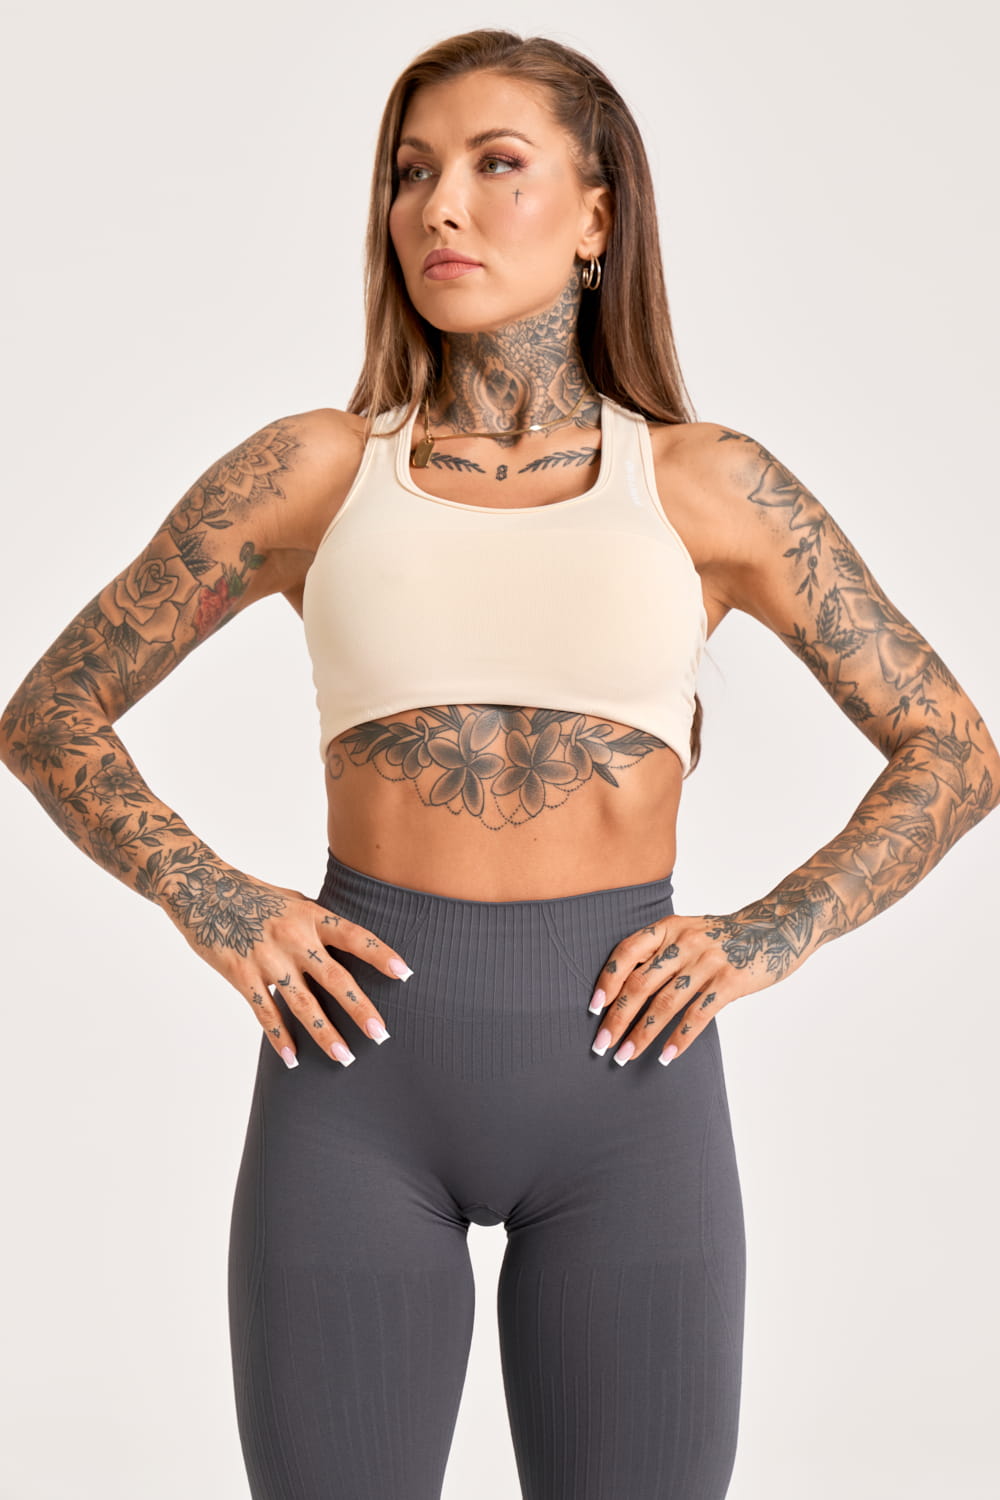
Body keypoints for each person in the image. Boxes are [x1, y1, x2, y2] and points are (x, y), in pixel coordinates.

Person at [2, 24, 997, 1500]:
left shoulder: (708, 483)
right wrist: (213, 898)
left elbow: (952, 748)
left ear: (598, 215)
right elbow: (50, 712)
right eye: (411, 172)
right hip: (355, 1082)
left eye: (495, 164)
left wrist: (763, 936)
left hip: (631, 1090)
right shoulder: (314, 472)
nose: (440, 207)